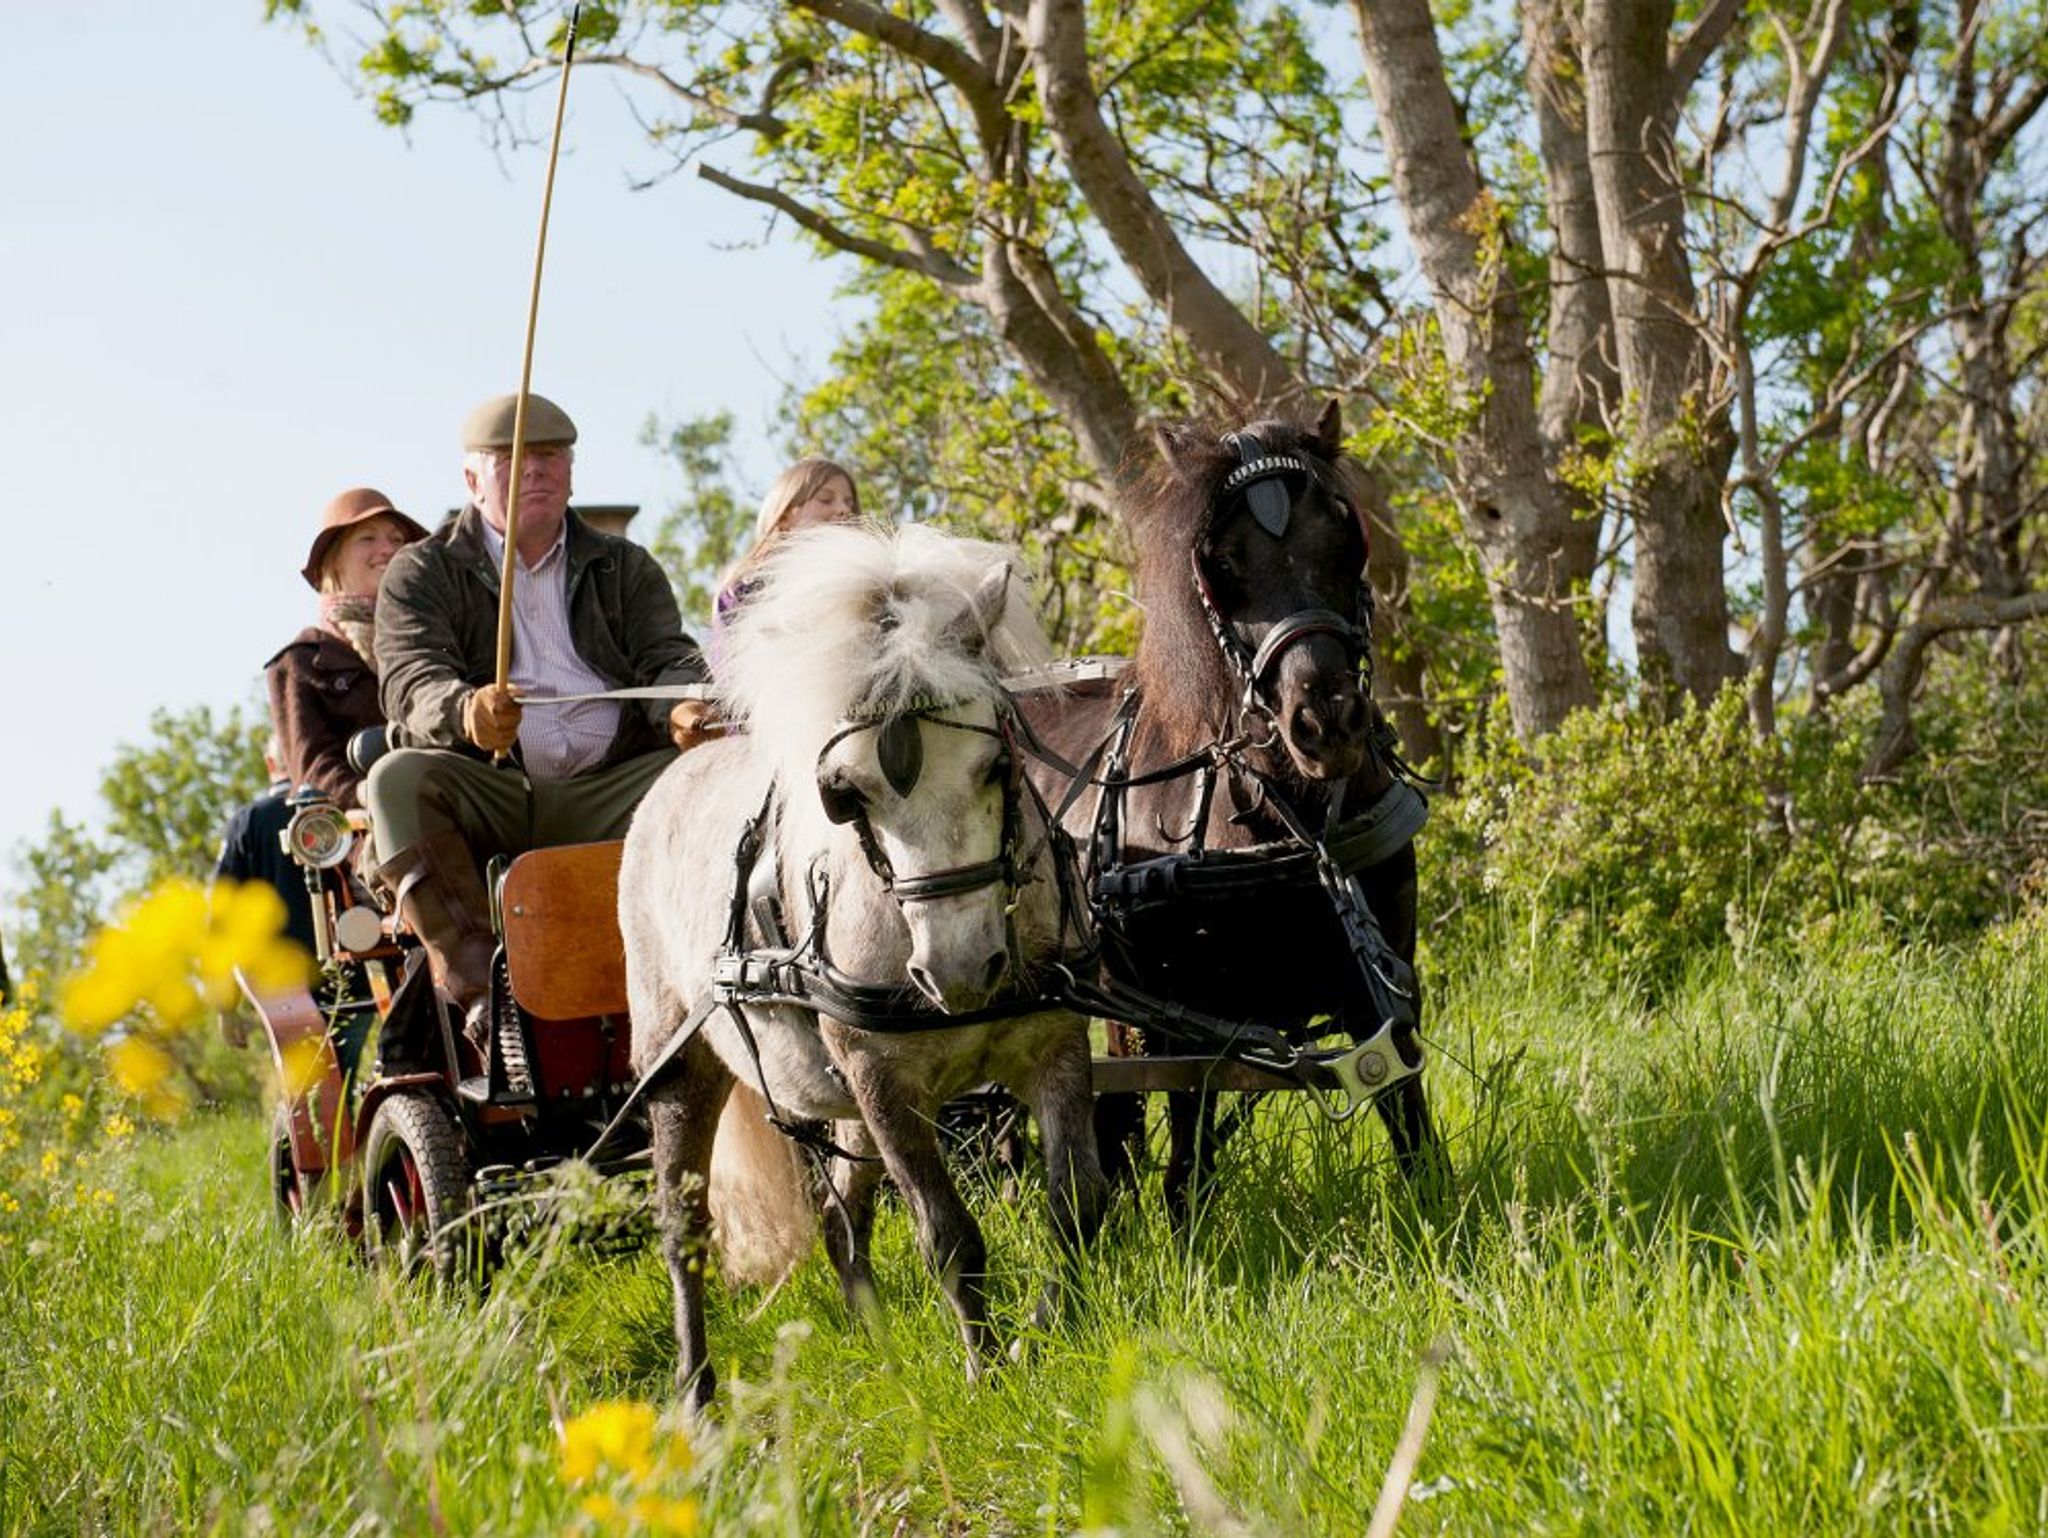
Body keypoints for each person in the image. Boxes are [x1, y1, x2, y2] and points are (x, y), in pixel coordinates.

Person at [367, 391, 712, 1045]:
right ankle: (481, 993)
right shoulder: (422, 572)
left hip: (618, 788)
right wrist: (466, 712)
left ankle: (728, 972)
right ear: (472, 479)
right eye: (512, 458)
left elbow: (669, 658)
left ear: (573, 473)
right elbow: (411, 684)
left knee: (727, 765)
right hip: (494, 789)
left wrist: (683, 707)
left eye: (551, 456)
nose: (536, 470)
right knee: (395, 781)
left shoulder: (624, 565)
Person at [267, 487, 429, 807]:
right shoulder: (302, 662)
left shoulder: (430, 640)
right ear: (333, 560)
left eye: (397, 540)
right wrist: (373, 796)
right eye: (367, 538)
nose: (386, 549)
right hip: (362, 841)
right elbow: (314, 771)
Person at [213, 737, 321, 1046]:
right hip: (350, 972)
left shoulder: (249, 821)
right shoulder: (332, 809)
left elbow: (221, 913)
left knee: (307, 1083)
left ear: (270, 764)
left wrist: (226, 1003)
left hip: (282, 981)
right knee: (342, 1071)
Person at [708, 457, 864, 670]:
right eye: (825, 499)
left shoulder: (868, 585)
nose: (843, 509)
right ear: (784, 517)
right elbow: (727, 675)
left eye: (849, 502)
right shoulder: (744, 591)